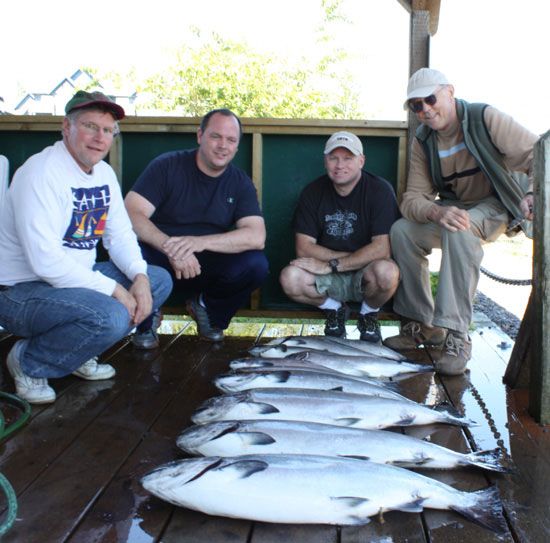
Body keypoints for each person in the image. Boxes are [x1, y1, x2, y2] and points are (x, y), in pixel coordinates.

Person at [0, 90, 173, 404]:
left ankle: (76, 350)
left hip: (73, 282)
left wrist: (139, 278)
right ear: (67, 127)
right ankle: (29, 362)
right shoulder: (40, 173)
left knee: (158, 279)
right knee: (110, 315)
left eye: (107, 130)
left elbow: (119, 235)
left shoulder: (103, 174)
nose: (99, 137)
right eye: (90, 126)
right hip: (21, 291)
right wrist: (115, 290)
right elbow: (45, 262)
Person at [384, 67, 538, 374]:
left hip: (498, 205)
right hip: (454, 207)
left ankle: (456, 336)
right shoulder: (422, 140)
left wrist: (534, 193)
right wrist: (436, 211)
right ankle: (423, 325)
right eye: (417, 105)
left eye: (430, 99)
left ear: (450, 92)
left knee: (459, 228)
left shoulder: (485, 118)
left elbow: (539, 155)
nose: (425, 109)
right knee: (402, 231)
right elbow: (413, 198)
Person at [124, 108, 269, 342]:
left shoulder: (240, 182)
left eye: (231, 140)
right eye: (216, 136)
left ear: (237, 146)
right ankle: (147, 317)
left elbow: (256, 236)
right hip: (160, 257)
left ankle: (207, 309)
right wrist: (171, 247)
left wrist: (196, 243)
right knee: (131, 254)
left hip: (205, 264)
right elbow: (131, 213)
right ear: (200, 136)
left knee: (256, 264)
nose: (223, 145)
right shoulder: (167, 166)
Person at [279, 131, 401, 342]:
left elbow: (382, 248)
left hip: (363, 272)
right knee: (290, 278)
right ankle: (334, 309)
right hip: (328, 271)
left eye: (348, 158)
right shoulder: (312, 192)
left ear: (361, 161)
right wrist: (346, 260)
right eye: (333, 158)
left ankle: (368, 313)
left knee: (388, 273)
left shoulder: (380, 190)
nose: (339, 165)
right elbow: (304, 248)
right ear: (325, 161)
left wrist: (333, 264)